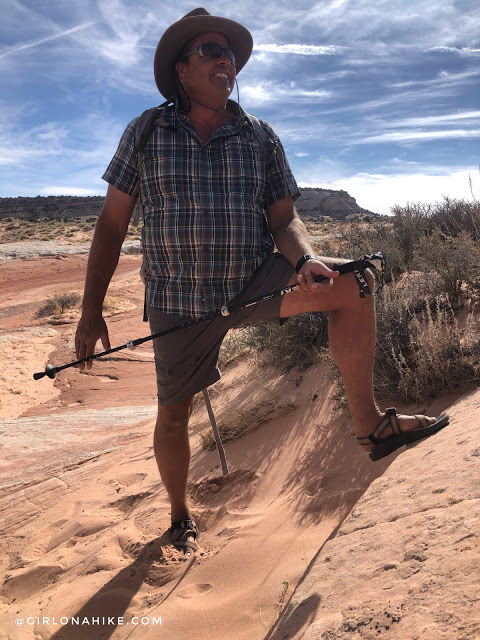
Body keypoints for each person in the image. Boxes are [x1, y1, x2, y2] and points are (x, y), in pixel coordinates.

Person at [75, 8, 449, 554]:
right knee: (174, 415)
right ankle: (180, 515)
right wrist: (91, 309)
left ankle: (370, 427)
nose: (224, 59)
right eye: (209, 50)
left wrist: (304, 260)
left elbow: (283, 219)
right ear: (182, 69)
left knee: (355, 283)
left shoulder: (259, 136)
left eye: (229, 53)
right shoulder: (146, 131)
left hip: (255, 279)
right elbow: (111, 225)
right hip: (179, 299)